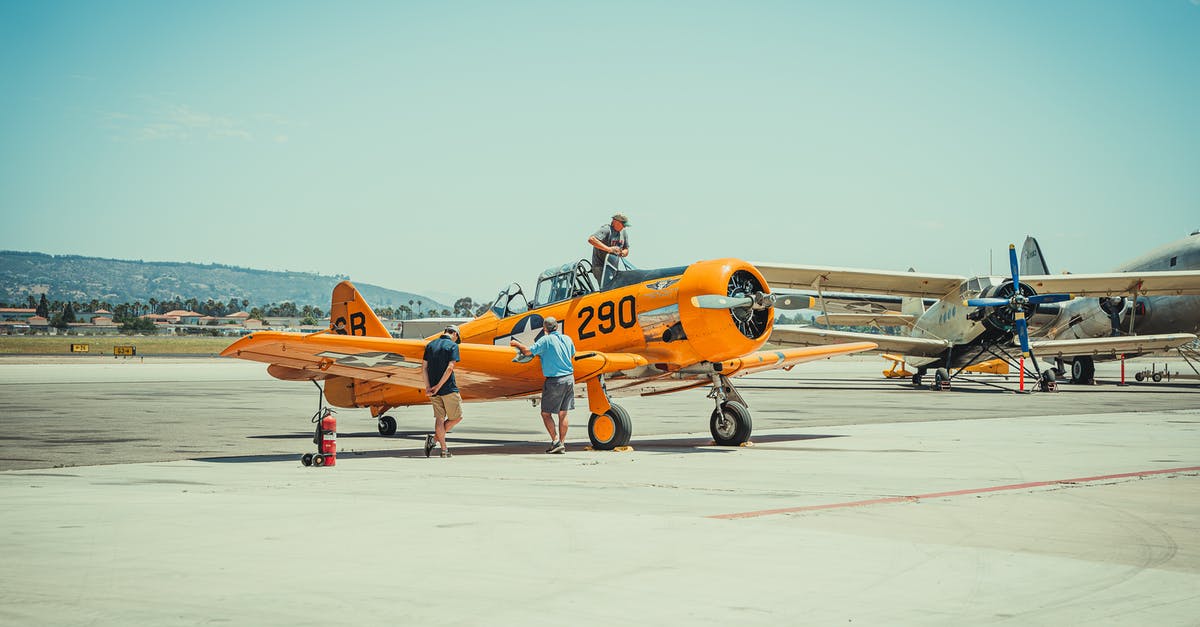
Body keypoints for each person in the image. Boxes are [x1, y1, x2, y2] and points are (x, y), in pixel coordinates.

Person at [510, 316, 575, 454]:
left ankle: (556, 441)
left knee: (545, 413)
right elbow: (572, 355)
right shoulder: (568, 339)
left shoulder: (546, 339)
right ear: (557, 327)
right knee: (563, 413)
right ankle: (561, 444)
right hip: (570, 378)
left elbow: (528, 352)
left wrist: (517, 344)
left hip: (555, 380)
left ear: (545, 329)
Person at [420, 326, 464, 458]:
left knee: (439, 418)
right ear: (455, 334)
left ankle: (444, 450)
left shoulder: (430, 345)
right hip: (448, 388)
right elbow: (450, 368)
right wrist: (438, 387)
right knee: (457, 417)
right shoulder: (453, 346)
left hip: (432, 389)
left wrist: (429, 387)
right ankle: (434, 440)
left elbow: (424, 368)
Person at [587, 213, 630, 286]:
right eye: (623, 224)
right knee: (608, 289)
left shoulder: (623, 232)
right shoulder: (607, 229)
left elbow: (626, 248)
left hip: (613, 267)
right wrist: (608, 249)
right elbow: (591, 239)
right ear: (615, 222)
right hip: (600, 267)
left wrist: (622, 253)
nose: (624, 227)